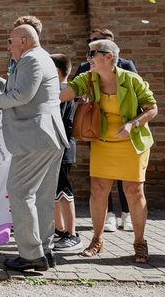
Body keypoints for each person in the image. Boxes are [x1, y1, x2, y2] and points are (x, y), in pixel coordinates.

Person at [0, 24, 69, 271]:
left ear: (23, 41)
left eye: (10, 41)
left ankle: (31, 255)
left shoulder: (31, 60)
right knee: (43, 197)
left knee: (19, 191)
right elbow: (23, 90)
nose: (8, 46)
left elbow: (21, 96)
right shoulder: (39, 58)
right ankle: (44, 251)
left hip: (34, 138)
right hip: (47, 137)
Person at [60, 38, 157, 263]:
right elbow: (63, 94)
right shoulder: (89, 79)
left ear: (108, 56)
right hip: (103, 142)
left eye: (92, 54)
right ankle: (97, 240)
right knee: (99, 189)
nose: (88, 58)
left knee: (134, 191)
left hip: (131, 143)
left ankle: (140, 243)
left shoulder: (132, 80)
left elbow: (152, 109)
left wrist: (133, 124)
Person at [73, 27, 137, 232]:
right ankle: (108, 215)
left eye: (97, 44)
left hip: (123, 131)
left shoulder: (127, 66)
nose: (90, 51)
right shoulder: (85, 68)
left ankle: (126, 214)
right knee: (102, 176)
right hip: (97, 128)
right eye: (90, 43)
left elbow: (136, 98)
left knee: (125, 176)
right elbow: (74, 93)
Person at [49, 54, 81, 252]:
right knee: (54, 191)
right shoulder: (59, 91)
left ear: (56, 71)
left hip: (62, 147)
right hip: (55, 148)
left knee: (64, 191)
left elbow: (60, 122)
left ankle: (72, 233)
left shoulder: (62, 92)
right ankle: (59, 230)